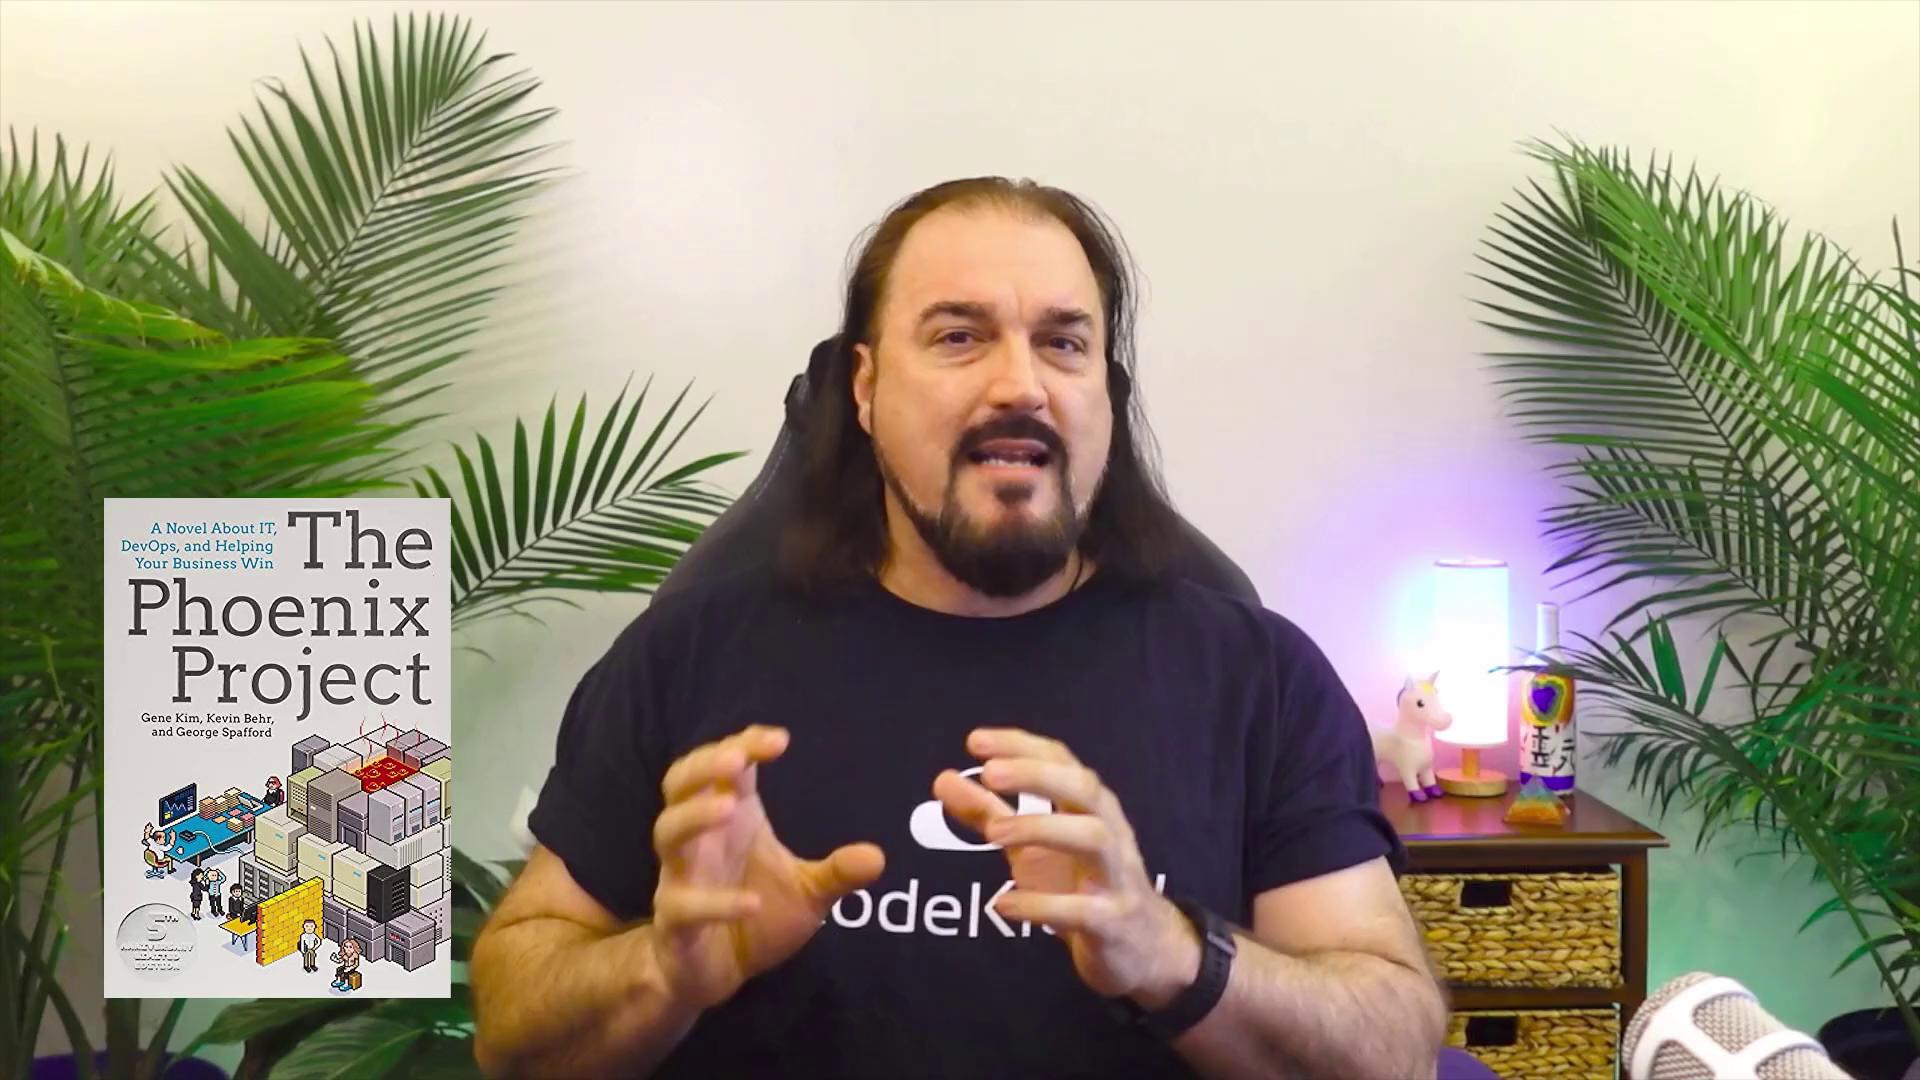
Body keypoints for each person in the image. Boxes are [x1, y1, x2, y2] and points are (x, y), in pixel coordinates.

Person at [471, 178, 1447, 1079]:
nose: (1021, 383)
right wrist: (665, 971)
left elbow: (1395, 1043)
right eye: (958, 337)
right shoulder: (692, 654)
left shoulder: (1256, 678)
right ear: (862, 389)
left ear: (1105, 393)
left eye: (1065, 342)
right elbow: (510, 1028)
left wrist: (1166, 950)